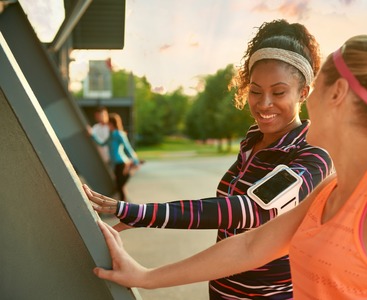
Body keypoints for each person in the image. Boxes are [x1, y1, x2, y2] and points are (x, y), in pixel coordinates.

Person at [90, 34, 367, 299]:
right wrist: (144, 276)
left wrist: (137, 212)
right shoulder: (330, 192)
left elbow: (247, 212)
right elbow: (249, 248)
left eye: (307, 87)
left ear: (335, 92)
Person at [84, 19, 333, 299]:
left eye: (278, 92)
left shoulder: (313, 155)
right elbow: (224, 211)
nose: (263, 104)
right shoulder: (253, 140)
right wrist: (141, 217)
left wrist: (144, 214)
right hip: (221, 292)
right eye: (254, 90)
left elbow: (251, 210)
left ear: (303, 92)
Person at [90, 113, 140, 201]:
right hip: (115, 165)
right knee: (119, 187)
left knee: (119, 186)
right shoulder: (111, 135)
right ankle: (123, 208)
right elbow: (101, 144)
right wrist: (92, 135)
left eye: (107, 124)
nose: (106, 126)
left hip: (121, 163)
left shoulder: (119, 134)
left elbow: (128, 148)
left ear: (111, 124)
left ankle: (123, 208)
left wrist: (135, 161)